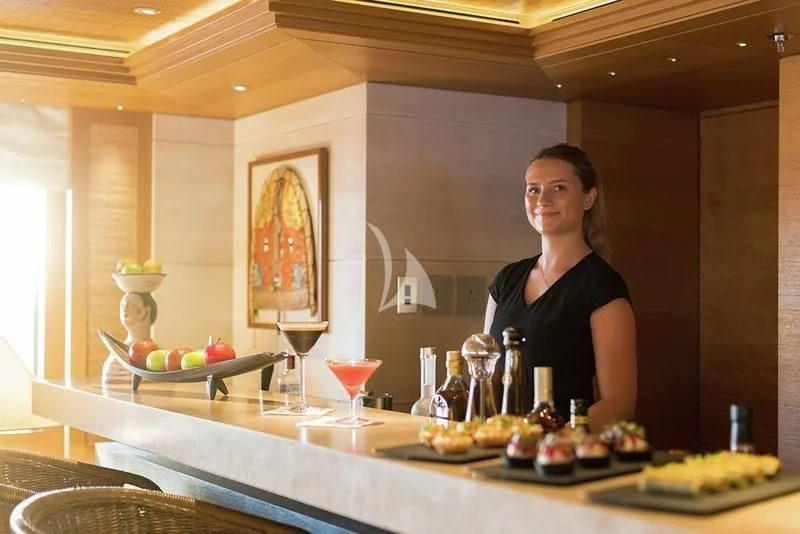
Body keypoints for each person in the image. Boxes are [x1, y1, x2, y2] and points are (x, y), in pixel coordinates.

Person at [484, 143, 637, 432]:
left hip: (562, 458)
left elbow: (619, 403)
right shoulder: (506, 280)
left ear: (589, 198)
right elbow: (487, 376)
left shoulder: (601, 286)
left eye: (559, 188)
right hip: (501, 450)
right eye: (533, 189)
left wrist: (553, 444)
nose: (543, 199)